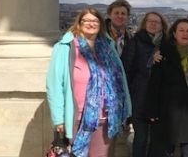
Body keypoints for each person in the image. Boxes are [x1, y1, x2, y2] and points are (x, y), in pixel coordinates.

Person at [46, 8, 132, 157]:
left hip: (106, 118)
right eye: (86, 20)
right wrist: (58, 118)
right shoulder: (65, 47)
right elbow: (54, 85)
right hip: (76, 118)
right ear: (79, 23)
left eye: (95, 21)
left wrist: (126, 108)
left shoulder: (108, 47)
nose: (91, 24)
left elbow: (121, 81)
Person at [146, 18, 188, 157]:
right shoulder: (163, 53)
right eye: (181, 30)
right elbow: (154, 84)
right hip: (167, 110)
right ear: (174, 33)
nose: (185, 34)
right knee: (164, 151)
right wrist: (152, 110)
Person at [121, 11, 169, 157]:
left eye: (157, 22)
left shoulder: (167, 44)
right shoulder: (135, 42)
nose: (153, 24)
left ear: (162, 26)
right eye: (150, 21)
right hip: (139, 97)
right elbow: (127, 69)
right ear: (144, 23)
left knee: (157, 140)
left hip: (159, 100)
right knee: (140, 138)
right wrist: (150, 60)